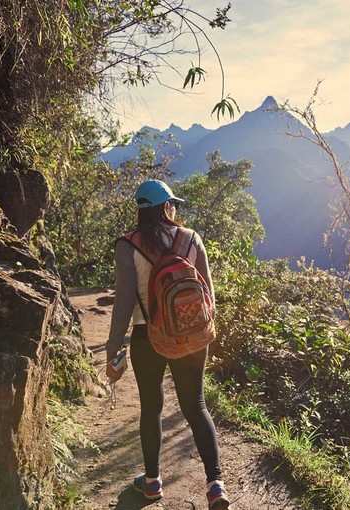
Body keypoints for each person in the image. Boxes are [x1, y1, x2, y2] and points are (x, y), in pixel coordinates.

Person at [105, 179, 230, 509]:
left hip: (147, 338)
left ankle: (151, 483)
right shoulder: (191, 239)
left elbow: (123, 304)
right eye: (171, 203)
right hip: (191, 335)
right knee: (196, 406)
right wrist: (201, 332)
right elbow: (209, 296)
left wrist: (113, 346)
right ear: (165, 207)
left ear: (140, 210)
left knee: (151, 407)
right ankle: (216, 485)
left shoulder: (127, 245)